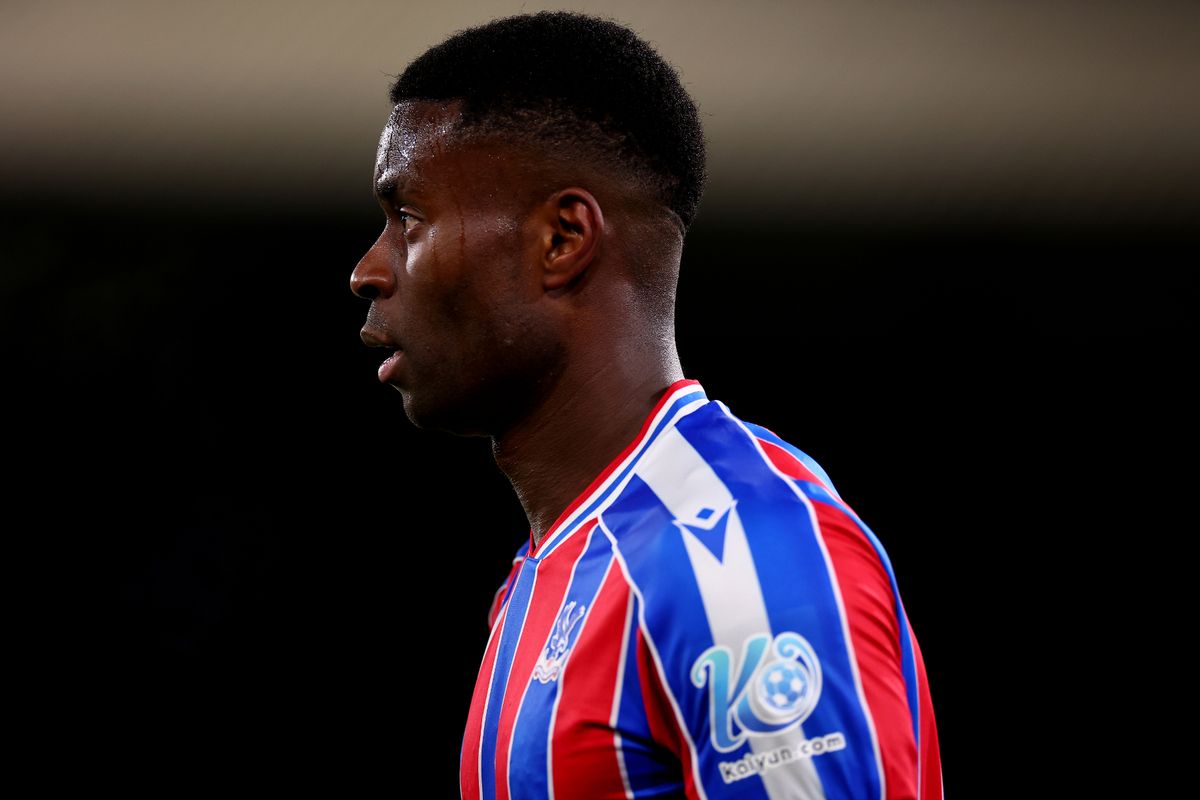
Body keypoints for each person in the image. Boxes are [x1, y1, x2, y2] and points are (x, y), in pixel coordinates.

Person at [349, 11, 941, 799]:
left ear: (562, 239)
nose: (367, 269)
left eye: (409, 217)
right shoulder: (550, 572)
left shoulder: (732, 556)